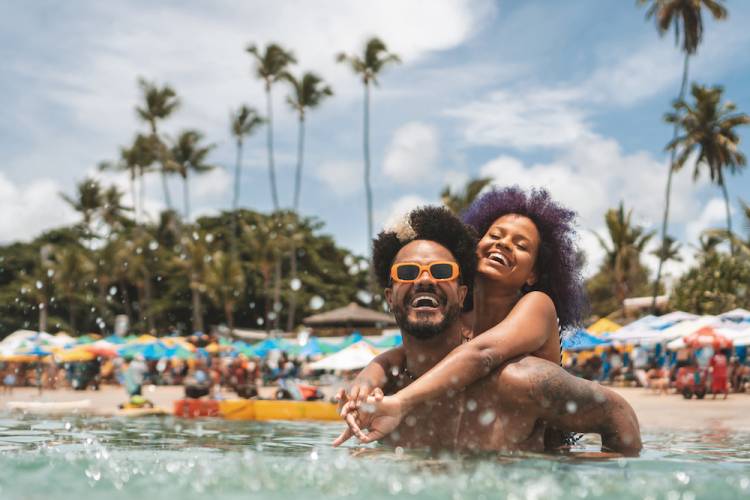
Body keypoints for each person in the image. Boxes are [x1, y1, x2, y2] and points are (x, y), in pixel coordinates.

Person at [335, 206, 641, 455]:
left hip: (544, 426)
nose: (504, 244)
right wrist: (372, 371)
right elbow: (422, 349)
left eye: (442, 271)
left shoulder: (535, 308)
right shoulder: (453, 328)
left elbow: (483, 353)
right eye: (494, 235)